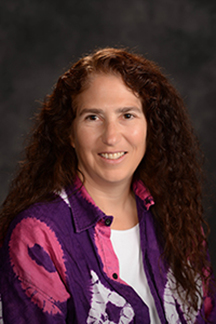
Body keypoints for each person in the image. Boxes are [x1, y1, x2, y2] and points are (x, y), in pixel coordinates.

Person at [0, 48, 215, 324]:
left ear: (150, 126)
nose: (112, 137)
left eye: (127, 115)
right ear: (70, 133)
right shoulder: (38, 234)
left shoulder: (175, 213)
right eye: (93, 117)